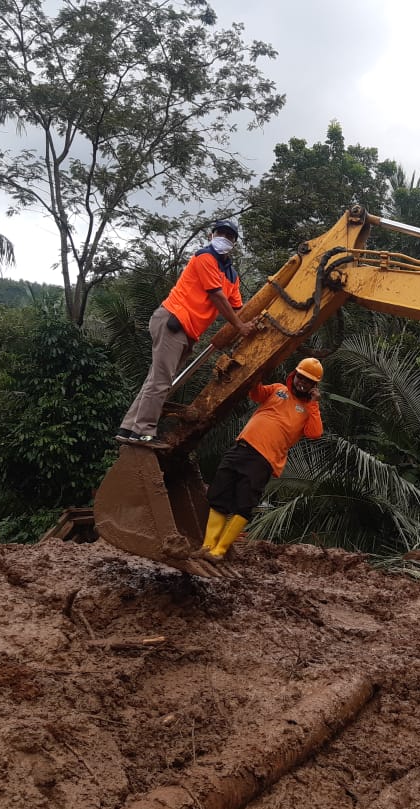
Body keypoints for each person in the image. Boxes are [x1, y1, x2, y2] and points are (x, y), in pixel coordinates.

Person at [117, 219, 255, 448]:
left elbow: (239, 307)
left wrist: (255, 319)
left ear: (234, 242)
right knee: (160, 381)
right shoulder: (205, 257)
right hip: (173, 322)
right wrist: (241, 326)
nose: (224, 238)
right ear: (212, 236)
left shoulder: (232, 275)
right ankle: (143, 432)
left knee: (157, 380)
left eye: (229, 236)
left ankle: (129, 428)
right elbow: (217, 297)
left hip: (187, 331)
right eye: (220, 233)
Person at [200, 357, 325, 560]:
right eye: (300, 378)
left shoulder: (308, 411)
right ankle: (207, 546)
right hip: (242, 447)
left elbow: (314, 433)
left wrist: (313, 405)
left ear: (313, 386)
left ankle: (219, 550)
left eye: (308, 381)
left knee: (244, 503)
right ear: (294, 375)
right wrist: (257, 373)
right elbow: (256, 393)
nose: (302, 382)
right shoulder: (277, 389)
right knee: (218, 494)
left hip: (264, 460)